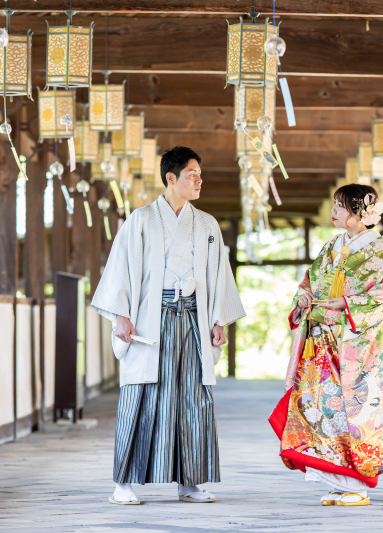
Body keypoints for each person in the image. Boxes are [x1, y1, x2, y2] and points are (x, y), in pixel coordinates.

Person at [92, 146, 246, 505]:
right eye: (192, 174)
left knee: (193, 397)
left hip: (192, 316)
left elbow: (217, 275)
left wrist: (218, 319)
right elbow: (119, 268)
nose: (199, 180)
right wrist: (121, 314)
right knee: (142, 395)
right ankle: (123, 484)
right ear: (170, 178)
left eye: (200, 174)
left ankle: (189, 482)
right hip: (151, 319)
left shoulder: (206, 224)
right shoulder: (142, 219)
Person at [268, 183, 383, 507]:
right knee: (321, 409)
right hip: (321, 343)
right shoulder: (332, 245)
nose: (333, 211)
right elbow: (310, 280)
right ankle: (338, 481)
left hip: (355, 348)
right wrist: (304, 297)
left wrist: (345, 303)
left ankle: (358, 484)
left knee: (352, 411)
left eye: (340, 206)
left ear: (360, 212)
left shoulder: (378, 249)